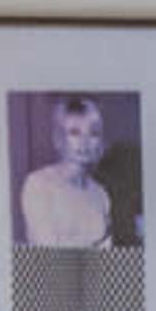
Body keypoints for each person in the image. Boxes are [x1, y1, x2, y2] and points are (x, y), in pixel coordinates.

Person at [19, 96, 119, 247]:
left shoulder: (101, 194)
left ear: (100, 142)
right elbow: (48, 253)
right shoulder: (39, 184)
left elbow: (107, 254)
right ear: (59, 138)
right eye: (74, 132)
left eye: (93, 133)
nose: (84, 141)